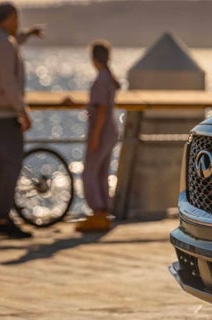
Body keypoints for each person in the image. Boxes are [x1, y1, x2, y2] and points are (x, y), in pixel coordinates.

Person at [0, 2, 41, 238]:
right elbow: (8, 79)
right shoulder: (5, 43)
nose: (19, 23)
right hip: (5, 114)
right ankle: (3, 218)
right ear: (11, 18)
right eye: (17, 19)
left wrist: (28, 35)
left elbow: (11, 44)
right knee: (11, 165)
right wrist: (22, 110)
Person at [75, 40, 121, 233]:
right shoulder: (108, 78)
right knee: (102, 172)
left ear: (94, 58)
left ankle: (98, 211)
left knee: (90, 173)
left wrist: (94, 135)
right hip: (110, 129)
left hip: (101, 130)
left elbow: (100, 109)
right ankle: (103, 211)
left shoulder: (101, 79)